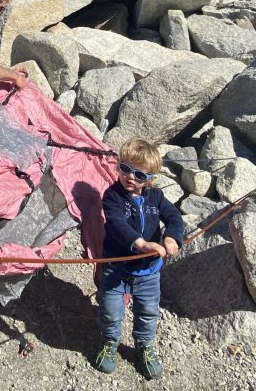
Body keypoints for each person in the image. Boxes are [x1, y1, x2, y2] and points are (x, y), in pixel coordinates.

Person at [94, 137, 183, 380]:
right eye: (125, 169)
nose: (130, 177)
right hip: (116, 267)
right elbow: (117, 224)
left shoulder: (156, 197)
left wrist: (172, 238)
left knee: (148, 312)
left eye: (139, 174)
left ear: (150, 179)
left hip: (149, 272)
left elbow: (174, 218)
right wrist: (140, 243)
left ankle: (144, 345)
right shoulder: (112, 196)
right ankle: (110, 341)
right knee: (111, 310)